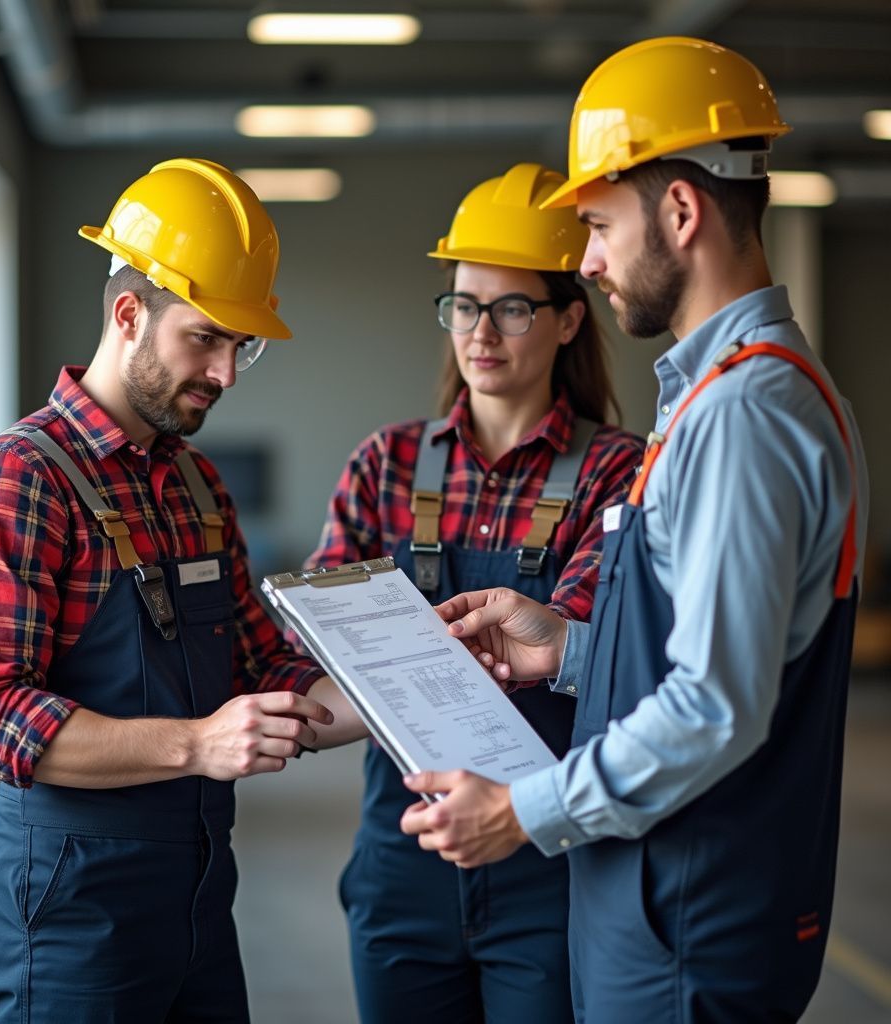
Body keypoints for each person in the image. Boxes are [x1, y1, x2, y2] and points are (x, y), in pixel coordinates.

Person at [400, 38, 869, 1024]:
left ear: (682, 211)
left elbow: (714, 705)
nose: (587, 261)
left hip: (688, 914)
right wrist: (568, 647)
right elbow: (712, 640)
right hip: (665, 902)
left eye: (600, 225)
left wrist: (520, 811)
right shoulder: (714, 397)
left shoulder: (744, 412)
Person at [0, 158, 358, 1023]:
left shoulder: (197, 486)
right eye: (205, 337)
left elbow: (259, 665)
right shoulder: (16, 480)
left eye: (243, 346)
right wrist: (198, 745)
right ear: (128, 314)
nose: (227, 373)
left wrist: (405, 690)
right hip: (69, 902)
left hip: (198, 892)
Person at [303, 163, 644, 1023]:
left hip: (547, 854)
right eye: (462, 304)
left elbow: (589, 641)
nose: (479, 332)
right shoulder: (384, 464)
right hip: (402, 855)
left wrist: (407, 646)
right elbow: (323, 641)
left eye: (511, 307)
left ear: (570, 318)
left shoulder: (619, 469)